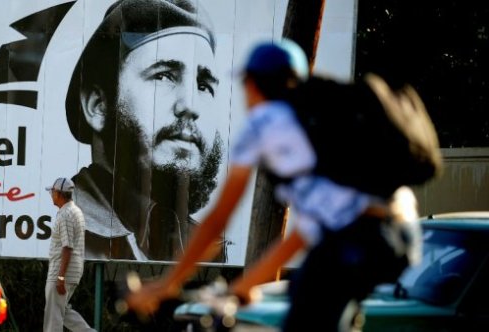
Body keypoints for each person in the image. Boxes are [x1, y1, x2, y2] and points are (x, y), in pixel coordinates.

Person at [126, 40, 421, 331]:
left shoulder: (264, 123)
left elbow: (218, 218)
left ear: (253, 85)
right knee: (311, 298)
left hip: (357, 241)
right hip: (402, 235)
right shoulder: (321, 120)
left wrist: (168, 284)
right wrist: (244, 286)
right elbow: (306, 232)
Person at [65, 0, 226, 261]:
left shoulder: (207, 246)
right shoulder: (67, 226)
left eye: (204, 85)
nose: (190, 106)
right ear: (98, 106)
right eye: (163, 75)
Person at [43, 177, 95, 332]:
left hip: (61, 272)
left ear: (59, 193)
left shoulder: (65, 214)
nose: (51, 194)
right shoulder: (75, 211)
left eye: (52, 191)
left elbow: (67, 247)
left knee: (53, 316)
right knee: (62, 311)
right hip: (72, 271)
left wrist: (60, 277)